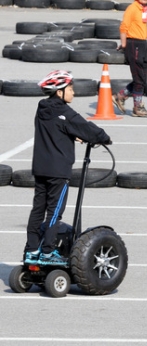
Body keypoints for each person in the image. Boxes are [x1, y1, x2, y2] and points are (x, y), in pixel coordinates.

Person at [24, 70, 111, 265]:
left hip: (40, 168)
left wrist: (71, 135)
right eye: (70, 88)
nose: (73, 92)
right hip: (58, 171)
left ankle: (31, 250)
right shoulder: (65, 112)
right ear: (59, 91)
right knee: (55, 211)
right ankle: (47, 252)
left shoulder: (42, 108)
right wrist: (105, 138)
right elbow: (88, 128)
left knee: (38, 209)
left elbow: (57, 129)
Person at [113, 0, 147, 118]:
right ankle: (137, 107)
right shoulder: (132, 8)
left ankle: (120, 96)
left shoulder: (143, 8)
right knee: (138, 77)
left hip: (142, 43)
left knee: (143, 78)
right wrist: (124, 44)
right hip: (133, 43)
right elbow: (124, 26)